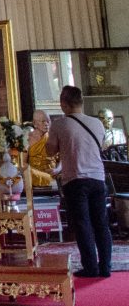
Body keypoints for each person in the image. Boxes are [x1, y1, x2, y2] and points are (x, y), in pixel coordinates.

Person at [46, 85, 111, 278]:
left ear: (64, 104)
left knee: (83, 224)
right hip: (98, 179)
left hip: (76, 180)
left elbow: (50, 151)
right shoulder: (97, 123)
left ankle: (91, 268)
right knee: (101, 223)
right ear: (81, 102)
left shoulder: (60, 124)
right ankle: (105, 267)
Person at [26, 110, 60, 188]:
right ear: (34, 123)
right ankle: (52, 182)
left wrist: (57, 170)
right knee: (28, 171)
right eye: (43, 121)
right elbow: (23, 163)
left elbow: (63, 159)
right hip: (35, 174)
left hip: (53, 173)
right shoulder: (27, 139)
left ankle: (52, 181)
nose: (46, 124)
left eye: (48, 121)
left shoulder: (54, 137)